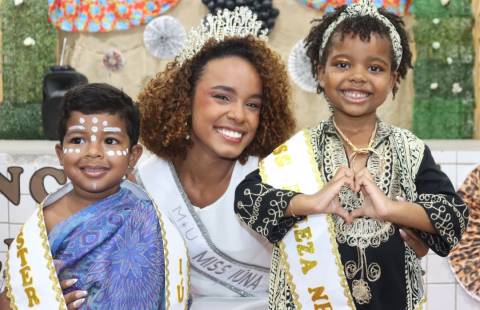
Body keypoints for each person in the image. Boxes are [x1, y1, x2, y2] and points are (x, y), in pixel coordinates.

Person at [234, 1, 469, 309]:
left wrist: (391, 209)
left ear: (394, 78)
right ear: (320, 72)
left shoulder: (409, 150)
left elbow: (453, 214)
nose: (358, 76)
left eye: (375, 68)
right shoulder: (299, 150)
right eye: (343, 64)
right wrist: (310, 202)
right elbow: (246, 199)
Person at [135, 7, 295, 309]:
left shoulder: (275, 177)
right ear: (185, 96)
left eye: (252, 105)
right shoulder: (145, 181)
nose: (238, 115)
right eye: (222, 97)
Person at [0, 83, 188, 310]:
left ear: (133, 156)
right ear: (60, 154)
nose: (93, 152)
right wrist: (46, 302)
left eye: (110, 141)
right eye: (78, 140)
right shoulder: (44, 223)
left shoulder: (148, 218)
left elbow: (171, 294)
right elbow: (11, 300)